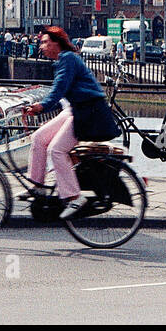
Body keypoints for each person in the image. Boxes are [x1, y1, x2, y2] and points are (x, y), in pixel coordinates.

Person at [22, 26, 119, 219]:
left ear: (56, 43)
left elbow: (59, 89)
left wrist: (42, 106)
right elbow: (59, 91)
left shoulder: (67, 59)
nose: (41, 46)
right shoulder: (61, 61)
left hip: (88, 111)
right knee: (39, 138)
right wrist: (41, 105)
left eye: (45, 42)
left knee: (56, 150)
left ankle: (75, 197)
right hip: (76, 109)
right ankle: (38, 187)